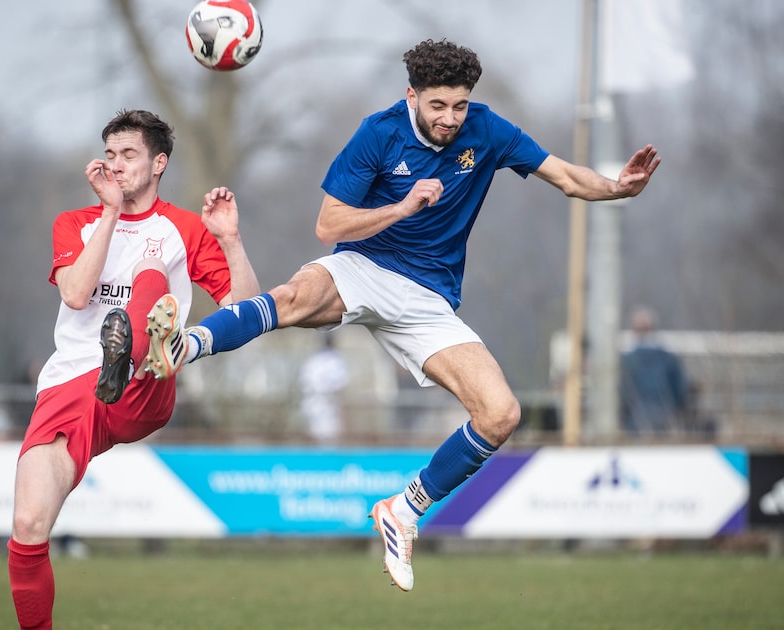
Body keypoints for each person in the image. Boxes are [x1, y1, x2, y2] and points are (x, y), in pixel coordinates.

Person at [140, 39, 660, 591]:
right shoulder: (379, 133)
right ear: (412, 95)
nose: (450, 118)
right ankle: (180, 347)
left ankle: (403, 511)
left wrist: (615, 188)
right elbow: (329, 227)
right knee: (290, 298)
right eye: (438, 106)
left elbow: (564, 175)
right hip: (364, 265)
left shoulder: (488, 130)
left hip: (427, 300)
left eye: (459, 106)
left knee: (501, 413)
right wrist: (402, 206)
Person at [7, 109, 259, 630]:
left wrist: (230, 240)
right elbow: (76, 294)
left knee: (151, 268)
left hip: (147, 383)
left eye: (129, 156)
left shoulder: (183, 228)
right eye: (110, 155)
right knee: (28, 524)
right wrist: (108, 213)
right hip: (72, 387)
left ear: (158, 163)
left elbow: (247, 311)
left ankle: (150, 344)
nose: (116, 166)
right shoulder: (75, 222)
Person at [619, 307, 688, 437]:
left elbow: (620, 393)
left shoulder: (626, 360)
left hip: (633, 424)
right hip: (666, 420)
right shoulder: (668, 358)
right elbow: (681, 390)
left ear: (634, 330)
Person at [298, 333, 350, 446]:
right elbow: (338, 387)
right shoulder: (335, 359)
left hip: (311, 402)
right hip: (327, 404)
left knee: (314, 439)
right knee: (328, 440)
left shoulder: (313, 359)